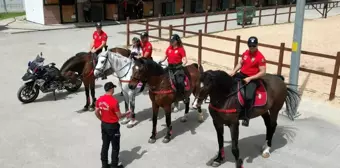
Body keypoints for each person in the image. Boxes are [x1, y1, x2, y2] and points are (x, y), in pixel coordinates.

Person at [230, 36, 266, 127]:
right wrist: (234, 71)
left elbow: (263, 72)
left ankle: (246, 117)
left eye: (253, 46)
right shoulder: (246, 53)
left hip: (253, 78)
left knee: (249, 96)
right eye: (250, 46)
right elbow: (240, 63)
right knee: (229, 86)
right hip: (242, 74)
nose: (252, 48)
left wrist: (250, 78)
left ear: (257, 45)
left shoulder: (260, 57)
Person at [95, 82, 130, 168]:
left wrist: (101, 119)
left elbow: (96, 112)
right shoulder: (114, 102)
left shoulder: (99, 99)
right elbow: (119, 116)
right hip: (113, 127)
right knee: (115, 147)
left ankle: (104, 165)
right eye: (113, 88)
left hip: (104, 125)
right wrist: (127, 113)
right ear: (111, 89)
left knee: (105, 145)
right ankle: (114, 165)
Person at [159, 34, 188, 101]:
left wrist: (184, 63)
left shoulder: (181, 49)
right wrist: (160, 61)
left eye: (173, 40)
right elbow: (165, 57)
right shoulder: (169, 48)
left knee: (179, 82)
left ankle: (182, 96)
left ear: (176, 41)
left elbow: (184, 59)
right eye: (171, 40)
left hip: (178, 68)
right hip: (170, 67)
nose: (171, 42)